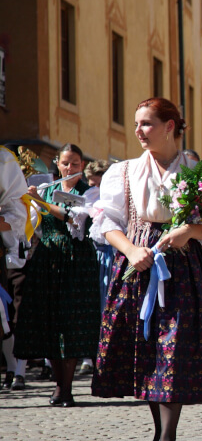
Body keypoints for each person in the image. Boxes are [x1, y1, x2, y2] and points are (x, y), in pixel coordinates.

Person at [90, 97, 202, 441]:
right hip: (140, 265)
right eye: (137, 124)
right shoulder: (124, 172)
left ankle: (168, 440)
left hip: (184, 267)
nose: (138, 131)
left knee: (175, 348)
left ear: (170, 126)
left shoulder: (199, 169)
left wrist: (190, 229)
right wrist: (132, 251)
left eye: (147, 123)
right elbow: (107, 222)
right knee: (149, 349)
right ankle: (158, 432)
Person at [14, 143, 101, 406]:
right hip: (49, 258)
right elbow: (30, 225)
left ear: (82, 165)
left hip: (77, 261)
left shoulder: (92, 192)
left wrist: (40, 202)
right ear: (58, 165)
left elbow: (74, 218)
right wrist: (24, 199)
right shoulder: (46, 189)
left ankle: (67, 387)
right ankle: (59, 386)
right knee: (50, 321)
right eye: (65, 163)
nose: (69, 168)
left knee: (71, 322)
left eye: (75, 163)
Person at [0, 147, 31, 391]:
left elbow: (17, 213)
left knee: (7, 315)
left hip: (13, 253)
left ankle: (15, 367)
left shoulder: (3, 159)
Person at [80, 159, 113, 376]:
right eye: (91, 183)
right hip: (94, 253)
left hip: (113, 252)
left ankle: (110, 354)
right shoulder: (90, 195)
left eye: (97, 183)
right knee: (92, 304)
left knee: (109, 303)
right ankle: (90, 356)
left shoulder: (115, 194)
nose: (94, 188)